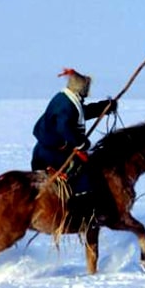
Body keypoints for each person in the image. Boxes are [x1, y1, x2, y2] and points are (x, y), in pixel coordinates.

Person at [31, 68, 116, 198]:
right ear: (81, 88)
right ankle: (80, 204)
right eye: (87, 87)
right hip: (51, 153)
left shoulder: (67, 98)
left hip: (46, 148)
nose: (88, 90)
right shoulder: (66, 105)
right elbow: (64, 127)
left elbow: (80, 114)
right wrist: (80, 143)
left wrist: (103, 107)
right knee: (84, 172)